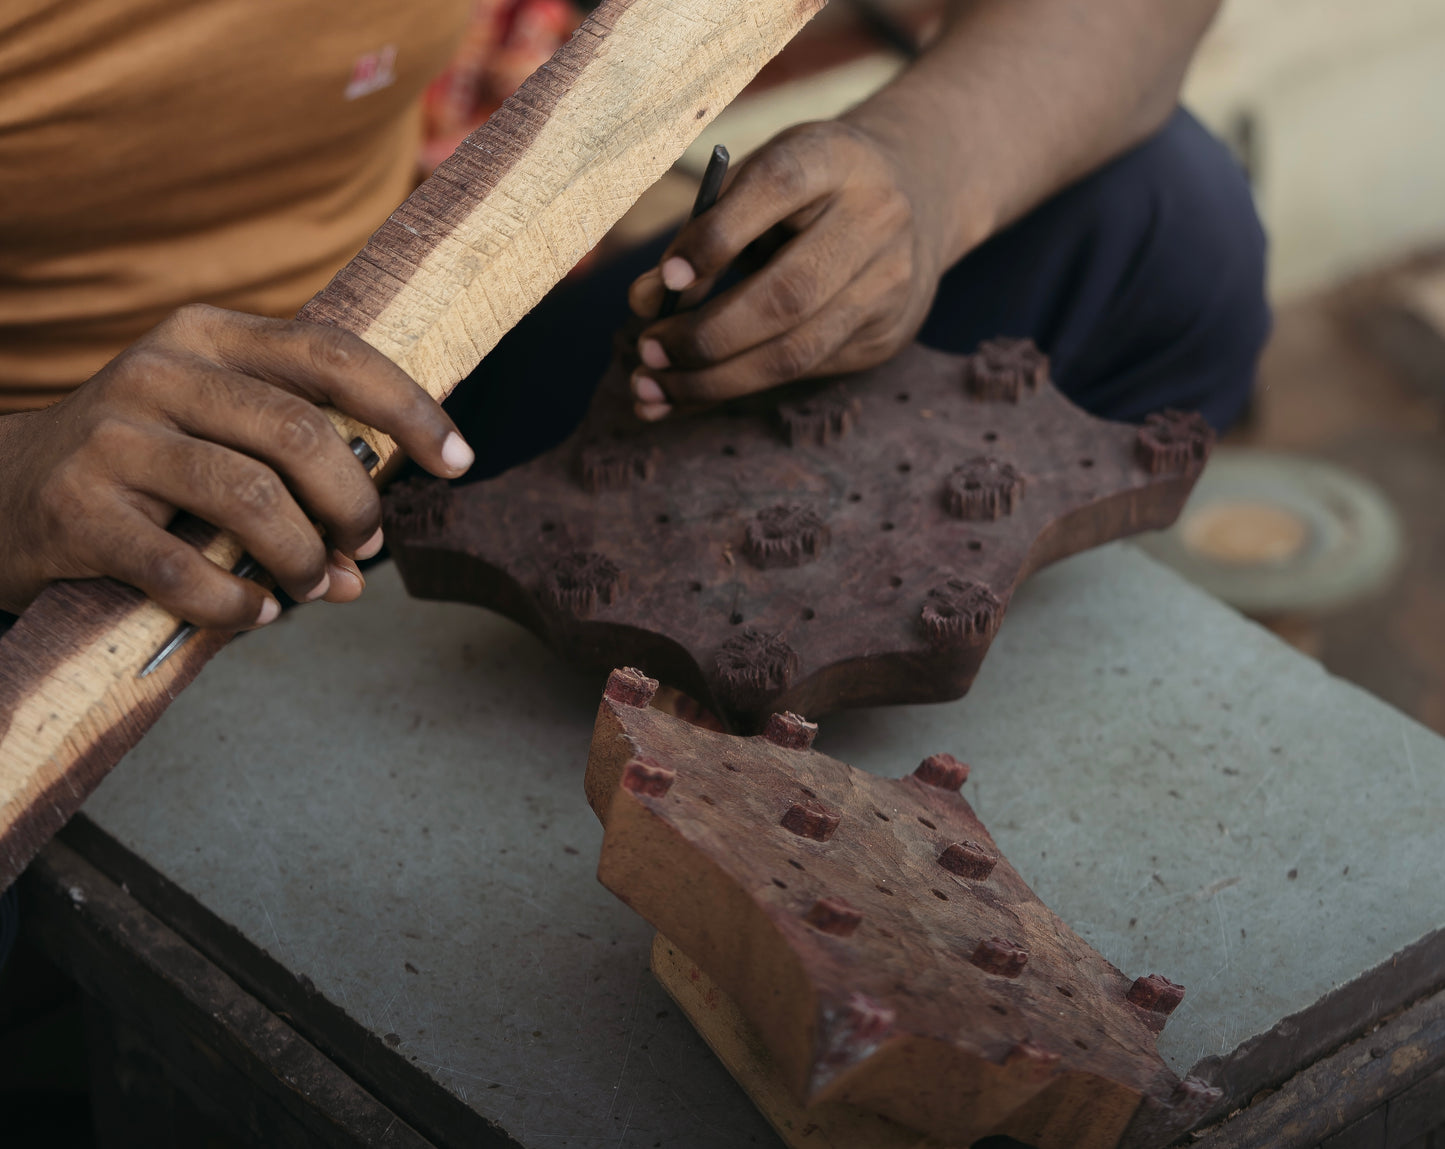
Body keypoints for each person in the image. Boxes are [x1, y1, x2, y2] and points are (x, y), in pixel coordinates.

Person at [0, 0, 1266, 632]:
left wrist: (922, 176)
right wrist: (20, 479)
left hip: (413, 394)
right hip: (56, 512)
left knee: (1155, 223)